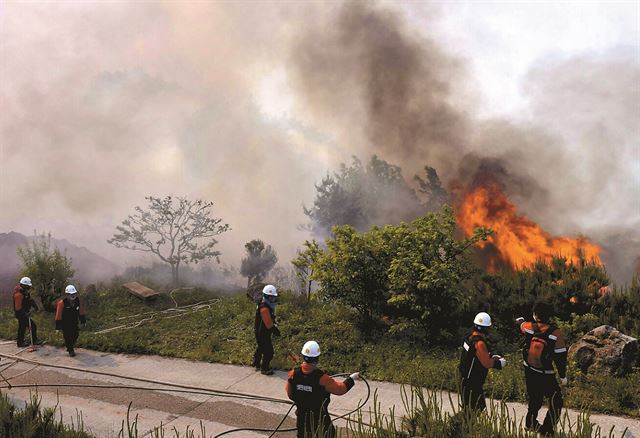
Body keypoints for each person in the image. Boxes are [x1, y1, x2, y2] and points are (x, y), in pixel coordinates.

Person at [286, 341, 359, 438]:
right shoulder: (322, 379)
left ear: (303, 356)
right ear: (317, 358)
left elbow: (290, 394)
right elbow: (340, 389)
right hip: (321, 420)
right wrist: (351, 379)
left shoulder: (293, 374)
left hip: (302, 419)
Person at [516, 301, 567, 436]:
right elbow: (561, 357)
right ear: (549, 316)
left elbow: (521, 325)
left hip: (529, 369)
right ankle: (547, 430)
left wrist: (520, 321)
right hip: (546, 373)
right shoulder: (556, 333)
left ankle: (530, 423)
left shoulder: (528, 327)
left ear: (534, 315)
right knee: (556, 401)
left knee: (535, 398)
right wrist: (563, 376)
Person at [458, 312, 506, 411]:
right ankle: (457, 424)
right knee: (475, 409)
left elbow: (476, 355)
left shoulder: (470, 337)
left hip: (465, 378)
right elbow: (487, 363)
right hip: (472, 382)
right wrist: (499, 363)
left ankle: (459, 424)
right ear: (486, 328)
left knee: (471, 409)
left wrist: (492, 355)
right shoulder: (479, 343)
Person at [252, 284, 280, 375]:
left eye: (274, 298)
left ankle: (256, 362)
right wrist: (275, 330)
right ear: (266, 296)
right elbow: (268, 325)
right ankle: (265, 369)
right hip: (262, 332)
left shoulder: (264, 304)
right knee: (269, 352)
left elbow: (269, 320)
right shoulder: (264, 308)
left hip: (261, 331)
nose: (273, 300)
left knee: (261, 347)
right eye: (271, 298)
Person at [55, 285, 86, 357]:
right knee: (67, 337)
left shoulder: (78, 301)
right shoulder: (62, 303)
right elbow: (58, 315)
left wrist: (83, 321)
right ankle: (70, 349)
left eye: (74, 294)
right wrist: (58, 327)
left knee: (75, 335)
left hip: (74, 322)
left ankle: (69, 346)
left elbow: (81, 312)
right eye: (71, 294)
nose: (73, 295)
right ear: (67, 295)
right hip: (65, 323)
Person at [13, 277, 40, 347]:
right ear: (24, 286)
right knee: (25, 327)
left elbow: (30, 300)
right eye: (28, 287)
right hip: (21, 313)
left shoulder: (25, 292)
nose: (29, 288)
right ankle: (21, 342)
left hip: (24, 313)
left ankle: (26, 341)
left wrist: (36, 307)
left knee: (24, 327)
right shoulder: (18, 294)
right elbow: (18, 307)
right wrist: (25, 314)